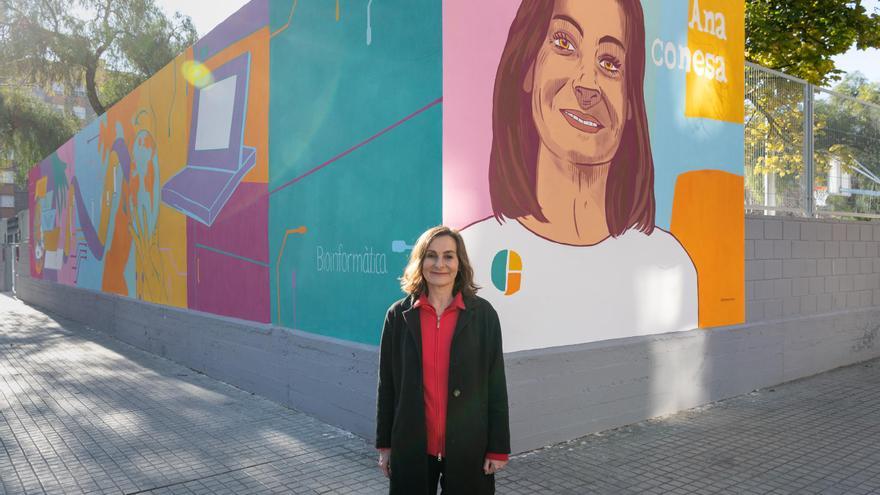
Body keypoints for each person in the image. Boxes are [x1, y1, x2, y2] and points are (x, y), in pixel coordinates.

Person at [461, 0, 698, 352]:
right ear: (528, 68)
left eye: (610, 63)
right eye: (564, 43)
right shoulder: (469, 256)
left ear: (630, 102)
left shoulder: (669, 263)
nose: (588, 85)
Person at [376, 226, 510, 494]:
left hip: (469, 447)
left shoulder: (483, 316)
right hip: (412, 446)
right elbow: (387, 386)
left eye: (448, 256)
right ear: (420, 261)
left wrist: (498, 448)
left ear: (460, 263)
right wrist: (386, 445)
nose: (440, 264)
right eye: (431, 255)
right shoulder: (398, 316)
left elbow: (495, 384)